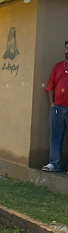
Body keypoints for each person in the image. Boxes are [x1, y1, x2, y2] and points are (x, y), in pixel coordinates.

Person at [43, 41, 68, 172]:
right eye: (67, 48)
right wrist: (52, 104)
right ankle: (54, 163)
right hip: (57, 108)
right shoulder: (58, 66)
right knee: (55, 137)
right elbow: (50, 86)